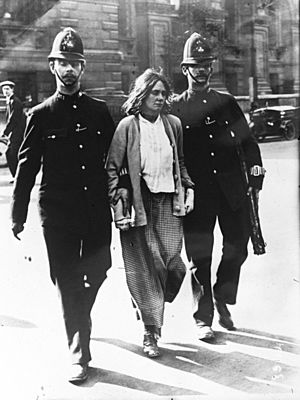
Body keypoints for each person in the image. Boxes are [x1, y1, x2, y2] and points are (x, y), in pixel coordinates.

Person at [10, 27, 115, 383]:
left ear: (82, 68)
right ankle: (79, 353)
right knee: (68, 280)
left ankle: (79, 319)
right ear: (53, 66)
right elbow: (26, 168)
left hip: (96, 210)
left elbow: (115, 163)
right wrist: (17, 214)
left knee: (100, 269)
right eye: (63, 63)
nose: (69, 70)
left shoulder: (100, 112)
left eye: (75, 63)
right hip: (58, 215)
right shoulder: (39, 115)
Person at [172, 32, 265, 341]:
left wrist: (255, 173)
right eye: (195, 66)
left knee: (238, 248)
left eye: (206, 65)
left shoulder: (226, 104)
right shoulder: (174, 109)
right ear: (185, 70)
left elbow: (249, 143)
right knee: (200, 257)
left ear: (211, 69)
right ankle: (203, 317)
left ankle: (222, 295)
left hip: (232, 191)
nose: (201, 71)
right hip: (196, 194)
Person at [106, 68, 195, 358]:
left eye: (163, 93)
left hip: (170, 203)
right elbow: (112, 168)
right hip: (140, 204)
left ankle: (148, 302)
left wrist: (188, 186)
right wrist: (117, 201)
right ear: (141, 95)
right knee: (147, 266)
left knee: (173, 265)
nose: (159, 98)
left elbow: (180, 161)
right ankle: (150, 330)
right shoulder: (128, 126)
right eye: (153, 93)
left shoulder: (173, 125)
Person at [0, 80, 26, 180]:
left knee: (11, 154)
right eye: (3, 89)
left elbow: (13, 119)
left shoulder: (15, 102)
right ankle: (17, 176)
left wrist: (5, 132)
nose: (5, 91)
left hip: (18, 133)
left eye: (7, 89)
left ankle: (18, 176)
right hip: (15, 133)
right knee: (13, 154)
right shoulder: (10, 101)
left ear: (12, 90)